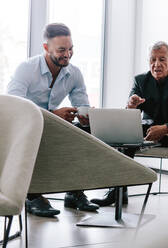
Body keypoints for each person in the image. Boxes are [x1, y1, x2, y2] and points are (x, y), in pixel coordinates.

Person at [90, 41, 168, 206]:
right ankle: (118, 192)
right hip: (149, 130)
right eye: (152, 60)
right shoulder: (141, 80)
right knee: (122, 136)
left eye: (162, 59)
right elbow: (128, 115)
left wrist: (166, 128)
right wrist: (131, 105)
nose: (156, 64)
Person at [7, 23, 99, 217]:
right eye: (61, 50)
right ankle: (32, 196)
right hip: (21, 125)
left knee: (85, 135)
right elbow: (13, 107)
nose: (67, 54)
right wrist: (54, 115)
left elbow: (82, 103)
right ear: (46, 48)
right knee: (32, 135)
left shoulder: (74, 73)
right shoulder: (26, 69)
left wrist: (86, 117)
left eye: (70, 49)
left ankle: (74, 192)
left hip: (49, 124)